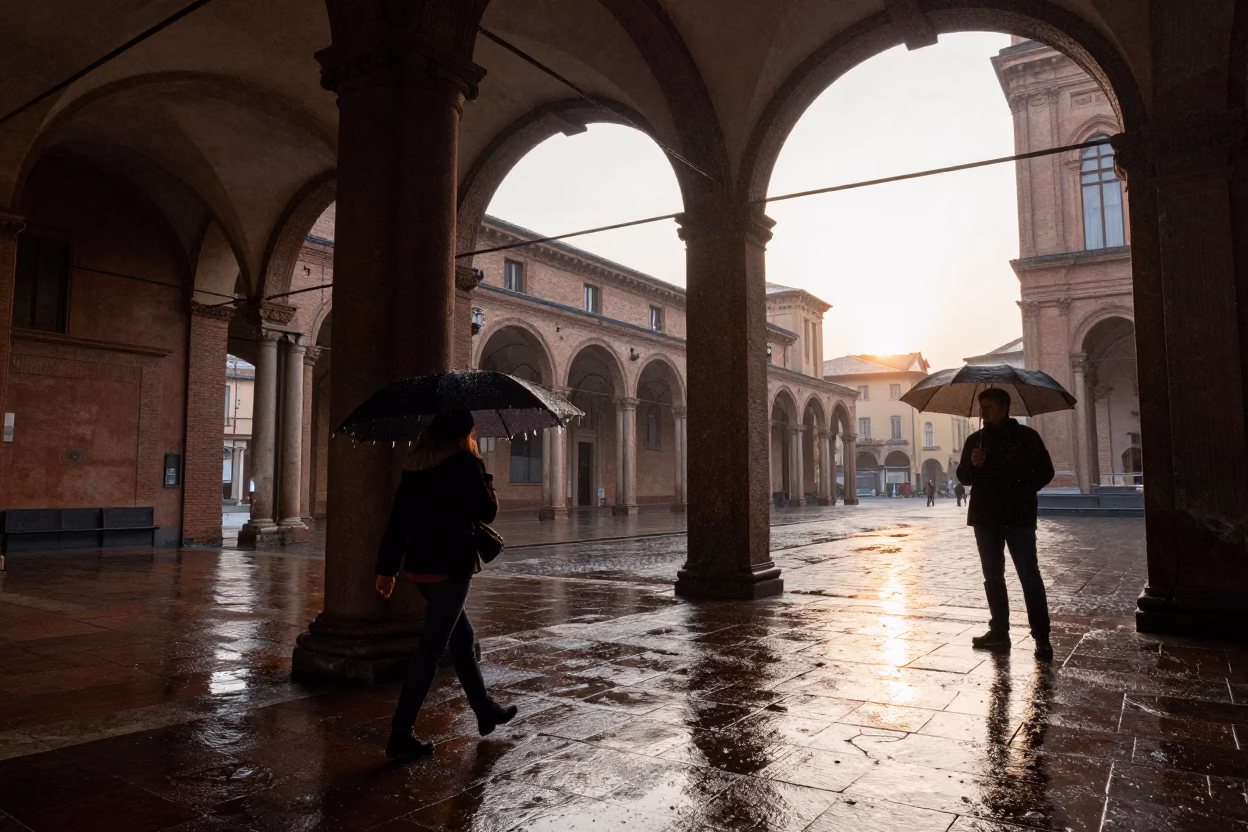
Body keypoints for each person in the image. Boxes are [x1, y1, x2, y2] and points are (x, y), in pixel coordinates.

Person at [374, 409, 517, 758]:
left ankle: (485, 711)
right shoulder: (464, 464)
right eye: (471, 431)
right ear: (461, 434)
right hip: (452, 568)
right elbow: (488, 512)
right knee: (431, 652)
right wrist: (482, 470)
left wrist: (386, 569)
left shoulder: (414, 467)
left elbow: (398, 520)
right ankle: (399, 734)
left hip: (420, 568)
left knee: (462, 639)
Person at [956, 388, 1055, 660]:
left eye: (989, 407)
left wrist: (1018, 486)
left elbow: (1046, 472)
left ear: (1004, 407)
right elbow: (964, 477)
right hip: (985, 519)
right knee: (993, 577)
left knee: (1029, 577)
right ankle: (999, 631)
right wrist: (973, 465)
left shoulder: (1027, 437)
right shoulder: (976, 440)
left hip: (1018, 518)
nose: (983, 413)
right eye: (981, 408)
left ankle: (1041, 636)